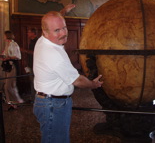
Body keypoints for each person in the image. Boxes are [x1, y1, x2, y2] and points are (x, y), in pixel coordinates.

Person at [33, 10, 103, 143]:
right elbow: (78, 81)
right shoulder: (53, 55)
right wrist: (94, 84)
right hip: (53, 106)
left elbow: (53, 22)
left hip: (48, 102)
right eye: (57, 31)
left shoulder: (42, 40)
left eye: (64, 27)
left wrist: (62, 12)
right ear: (45, 32)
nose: (63, 33)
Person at [0, 30, 24, 105]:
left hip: (13, 66)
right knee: (10, 85)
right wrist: (3, 57)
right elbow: (5, 54)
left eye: (4, 35)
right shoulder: (8, 44)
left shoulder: (14, 44)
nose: (3, 37)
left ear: (7, 36)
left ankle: (16, 101)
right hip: (8, 66)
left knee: (8, 86)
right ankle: (11, 102)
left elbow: (17, 56)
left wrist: (8, 58)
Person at [21, 27, 39, 102]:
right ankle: (33, 98)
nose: (27, 33)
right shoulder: (31, 41)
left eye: (29, 32)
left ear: (33, 33)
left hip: (35, 65)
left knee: (35, 83)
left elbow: (35, 53)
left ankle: (36, 99)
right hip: (31, 64)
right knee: (32, 82)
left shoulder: (36, 41)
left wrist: (24, 50)